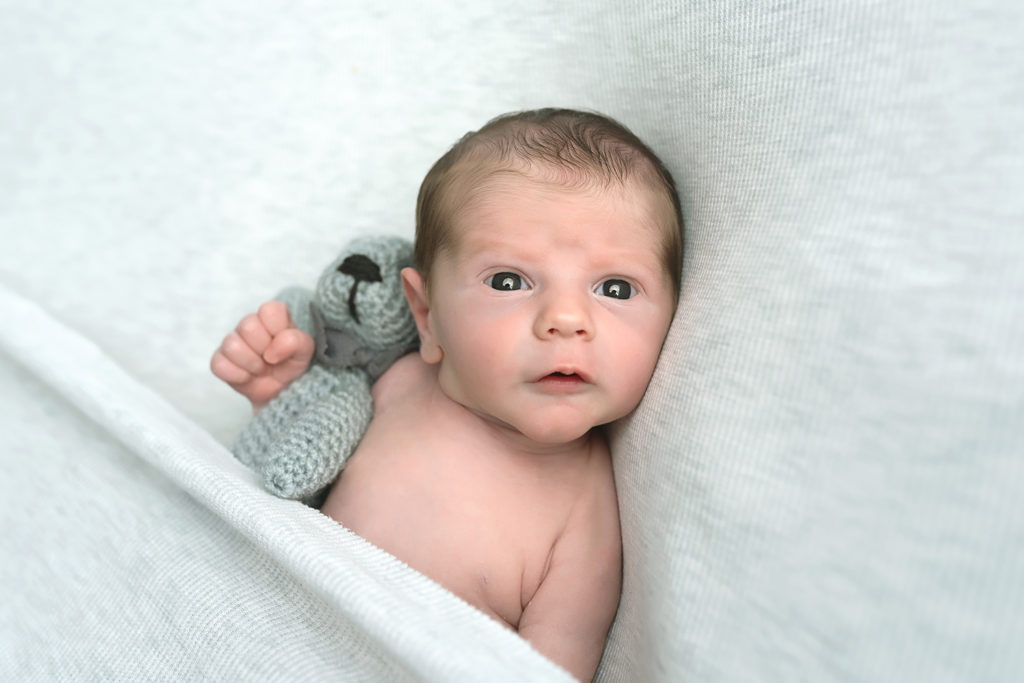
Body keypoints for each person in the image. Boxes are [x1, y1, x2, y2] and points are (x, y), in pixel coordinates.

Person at [210, 108, 683, 681]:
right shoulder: (398, 384)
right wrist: (275, 398)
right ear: (426, 315)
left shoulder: (588, 518)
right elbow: (294, 478)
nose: (566, 318)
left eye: (616, 288)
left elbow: (550, 669)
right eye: (508, 281)